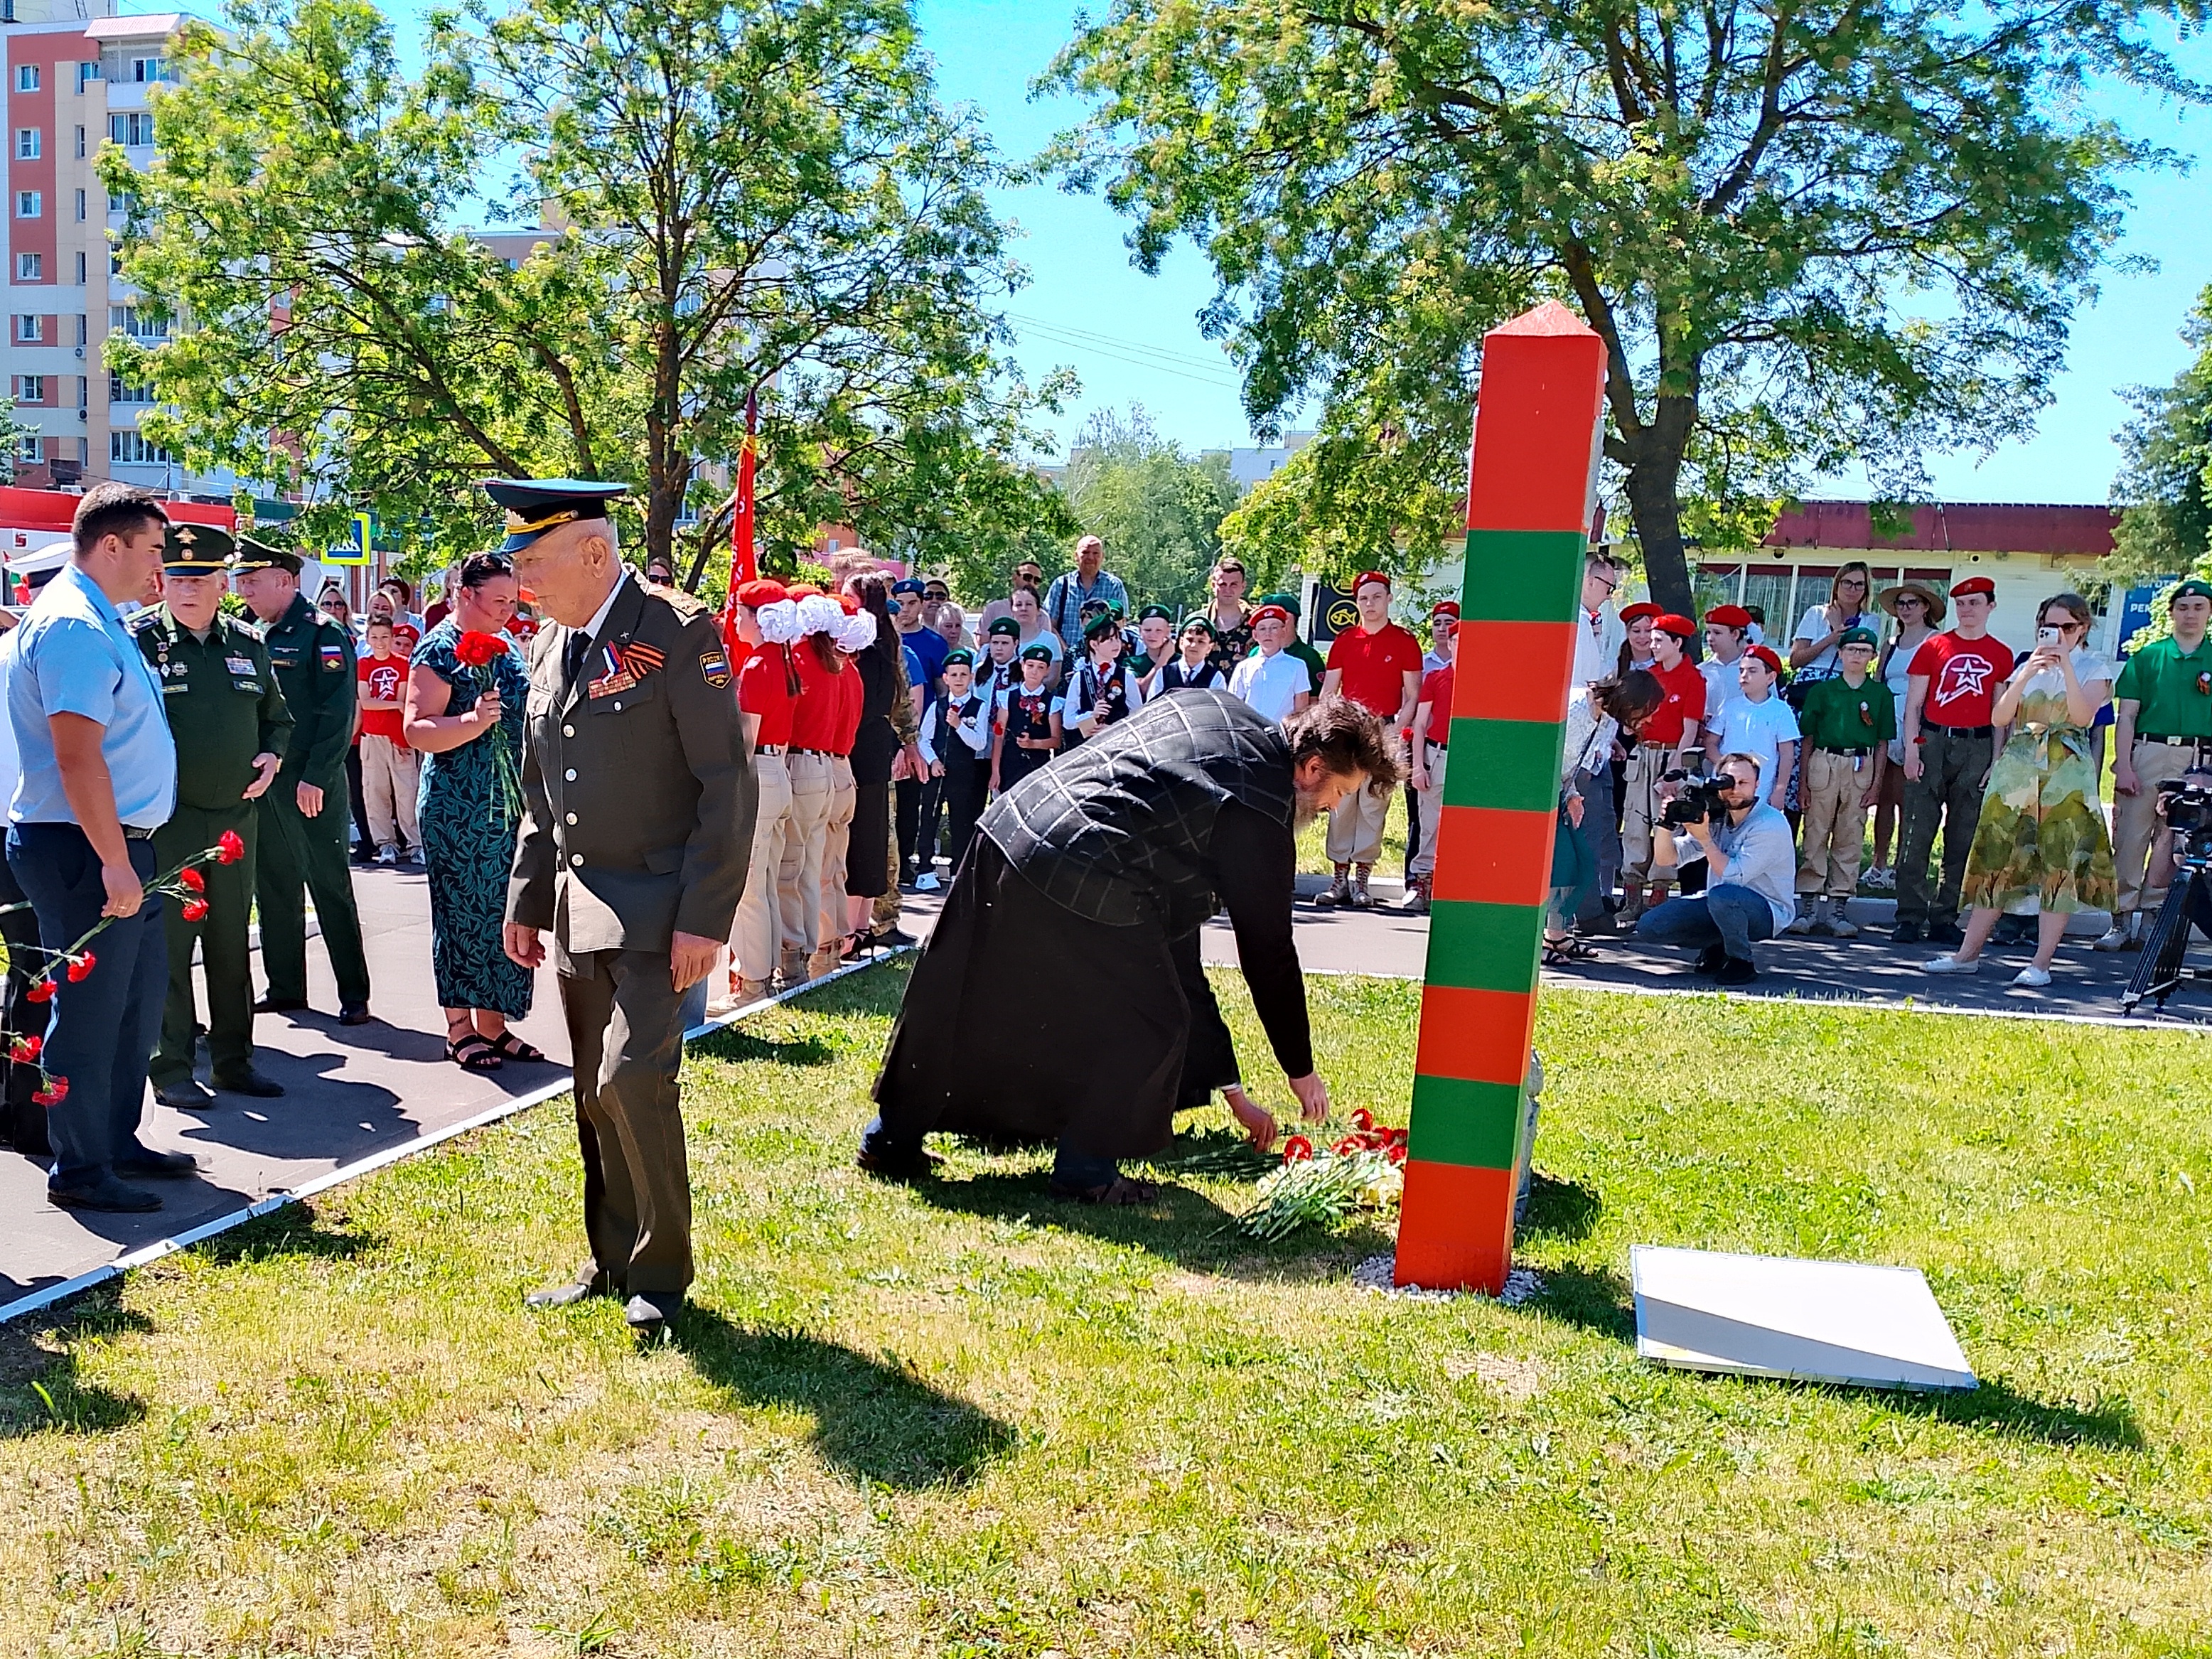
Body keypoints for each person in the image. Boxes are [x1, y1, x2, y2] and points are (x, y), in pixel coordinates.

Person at [860, 692, 1394, 1201]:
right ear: (1313, 767)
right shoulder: (1260, 804)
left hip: (1011, 824)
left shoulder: (1220, 708)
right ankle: (1086, 1171)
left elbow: (1179, 951)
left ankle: (890, 1139)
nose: (1329, 807)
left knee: (971, 990)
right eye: (1340, 793)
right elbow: (1269, 951)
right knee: (1150, 1023)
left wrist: (1233, 1089)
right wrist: (1300, 1071)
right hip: (1083, 857)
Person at [500, 480, 756, 1337]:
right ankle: (609, 1259)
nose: (520, 575)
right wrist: (527, 896)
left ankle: (661, 1270)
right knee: (589, 1091)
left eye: (532, 559)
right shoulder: (551, 645)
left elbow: (726, 783)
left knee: (633, 1078)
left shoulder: (677, 632)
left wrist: (706, 919)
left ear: (593, 552)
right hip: (580, 906)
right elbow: (543, 790)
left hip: (660, 902)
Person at [4, 484, 186, 1211]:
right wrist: (114, 860)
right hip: (84, 849)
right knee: (84, 1016)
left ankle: (114, 1141)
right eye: (151, 551)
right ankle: (79, 1170)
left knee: (131, 1007)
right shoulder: (76, 626)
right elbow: (78, 759)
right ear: (110, 545)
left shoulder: (101, 619)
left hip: (116, 845)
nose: (158, 570)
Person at [129, 522, 291, 1107]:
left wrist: (273, 755)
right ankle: (171, 1069)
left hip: (234, 819)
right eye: (176, 578)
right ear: (162, 581)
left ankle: (234, 1061)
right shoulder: (140, 641)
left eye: (199, 579)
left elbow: (278, 718)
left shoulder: (247, 643)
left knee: (229, 944)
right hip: (168, 823)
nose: (186, 589)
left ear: (222, 583)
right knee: (170, 947)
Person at [1924, 594, 2115, 987]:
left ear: (2082, 629)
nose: (2059, 634)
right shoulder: (2026, 665)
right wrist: (2027, 673)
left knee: (2057, 862)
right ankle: (1967, 956)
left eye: (2068, 627)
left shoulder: (2095, 668)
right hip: (2018, 766)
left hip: (2066, 772)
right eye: (2051, 626)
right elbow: (1999, 716)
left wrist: (2065, 665)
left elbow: (2082, 717)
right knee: (1998, 857)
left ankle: (2041, 963)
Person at [404, 550, 542, 1070]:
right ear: (466, 595)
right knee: (462, 912)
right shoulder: (438, 649)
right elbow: (416, 729)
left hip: (506, 804)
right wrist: (472, 720)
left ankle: (496, 1024)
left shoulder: (506, 648)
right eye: (497, 601)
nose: (506, 611)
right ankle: (459, 1028)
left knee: (504, 911)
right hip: (457, 804)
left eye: (512, 600)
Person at [232, 539, 374, 1025]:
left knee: (328, 883)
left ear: (287, 581)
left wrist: (316, 776)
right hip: (265, 779)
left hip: (311, 778)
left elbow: (338, 713)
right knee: (273, 884)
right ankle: (286, 986)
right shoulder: (251, 632)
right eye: (242, 581)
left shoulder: (323, 634)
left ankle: (354, 993)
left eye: (253, 580)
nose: (243, 589)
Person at [1894, 574, 2011, 947]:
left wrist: (1996, 760)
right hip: (1932, 740)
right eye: (1961, 603)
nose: (1967, 610)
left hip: (1975, 745)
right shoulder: (1934, 646)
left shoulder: (2000, 653)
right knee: (1916, 832)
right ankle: (1909, 915)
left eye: (1975, 602)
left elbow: (2000, 714)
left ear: (1990, 606)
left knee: (1962, 836)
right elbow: (1914, 704)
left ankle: (1946, 916)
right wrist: (1912, 749)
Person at [2098, 578, 2212, 952]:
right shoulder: (2148, 657)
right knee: (2131, 836)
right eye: (2183, 608)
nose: (2190, 615)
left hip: (2198, 757)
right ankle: (2120, 921)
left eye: (2198, 608)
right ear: (2172, 613)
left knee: (2173, 839)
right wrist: (2125, 765)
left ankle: (2152, 920)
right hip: (2149, 751)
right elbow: (2127, 715)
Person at [1634, 751, 1798, 984]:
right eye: (1728, 782)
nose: (1735, 789)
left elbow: (1733, 877)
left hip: (1767, 911)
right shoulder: (1719, 817)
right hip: (1721, 903)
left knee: (1724, 894)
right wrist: (1665, 824)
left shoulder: (1770, 824)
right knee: (1650, 926)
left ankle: (1741, 961)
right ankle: (1718, 945)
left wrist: (1705, 840)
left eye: (1743, 783)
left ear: (1757, 785)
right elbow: (1667, 859)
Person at [1316, 570, 1422, 908]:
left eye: (1377, 596)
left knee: (1374, 805)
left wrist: (1392, 735)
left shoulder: (1404, 641)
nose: (1370, 604)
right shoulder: (1345, 641)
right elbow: (1330, 691)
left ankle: (1363, 880)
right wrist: (1328, 731)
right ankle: (1339, 880)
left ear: (1389, 598)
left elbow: (1413, 696)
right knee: (1342, 803)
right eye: (1364, 598)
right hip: (1348, 734)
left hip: (1384, 732)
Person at [719, 580, 802, 1007]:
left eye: (742, 612)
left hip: (758, 773)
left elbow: (744, 740)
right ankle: (762, 977)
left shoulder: (757, 666)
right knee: (765, 882)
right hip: (778, 773)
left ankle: (752, 983)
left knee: (749, 887)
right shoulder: (783, 661)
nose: (735, 620)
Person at [1547, 671, 1664, 965]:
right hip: (1537, 795)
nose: (1647, 721)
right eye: (1647, 712)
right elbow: (1548, 754)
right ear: (1632, 701)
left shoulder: (1607, 719)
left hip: (1561, 792)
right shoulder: (1575, 707)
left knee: (1578, 865)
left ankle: (1556, 934)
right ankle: (1536, 941)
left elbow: (1573, 764)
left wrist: (1572, 794)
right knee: (1554, 868)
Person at [1788, 627, 1893, 936]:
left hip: (1861, 763)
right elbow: (1807, 738)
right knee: (1816, 832)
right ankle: (1807, 907)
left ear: (1873, 657)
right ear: (1840, 653)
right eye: (1851, 650)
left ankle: (1837, 908)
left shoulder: (1879, 694)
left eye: (1864, 652)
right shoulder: (1823, 691)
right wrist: (1803, 782)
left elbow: (1884, 741)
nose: (1856, 656)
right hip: (1824, 760)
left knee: (1851, 834)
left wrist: (1876, 784)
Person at [1616, 613, 1707, 923]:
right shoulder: (1648, 676)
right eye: (1651, 639)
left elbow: (1690, 729)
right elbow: (1630, 723)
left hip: (1671, 757)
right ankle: (1631, 900)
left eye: (1658, 640)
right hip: (1643, 755)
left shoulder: (1692, 679)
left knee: (1665, 827)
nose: (1651, 645)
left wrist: (1675, 771)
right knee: (1635, 826)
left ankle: (1659, 899)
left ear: (1677, 643)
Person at [780, 590, 848, 982]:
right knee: (819, 869)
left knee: (793, 871)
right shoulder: (836, 664)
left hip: (800, 764)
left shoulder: (800, 661)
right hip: (830, 767)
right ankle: (823, 950)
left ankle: (797, 959)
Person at [1865, 582, 1943, 892]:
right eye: (1901, 603)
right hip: (1888, 718)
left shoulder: (1935, 641)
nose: (1906, 608)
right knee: (1883, 795)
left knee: (1907, 796)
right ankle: (1878, 863)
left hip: (1919, 720)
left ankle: (1904, 864)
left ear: (1926, 607)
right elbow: (1878, 680)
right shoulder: (1891, 643)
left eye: (1913, 602)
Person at [918, 648, 993, 874]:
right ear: (946, 678)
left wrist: (959, 725)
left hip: (964, 773)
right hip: (938, 773)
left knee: (961, 821)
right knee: (929, 818)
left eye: (963, 674)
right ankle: (925, 868)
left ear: (971, 677)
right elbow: (924, 739)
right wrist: (932, 761)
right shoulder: (938, 706)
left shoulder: (979, 707)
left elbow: (980, 742)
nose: (958, 680)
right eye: (954, 675)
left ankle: (958, 870)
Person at [1402, 607, 1456, 913]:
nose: (1459, 646)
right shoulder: (1436, 677)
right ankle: (1423, 883)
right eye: (1454, 641)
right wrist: (1418, 765)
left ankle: (1453, 887)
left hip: (1467, 760)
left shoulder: (1483, 681)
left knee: (1460, 823)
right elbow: (1420, 724)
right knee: (1430, 822)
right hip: (1436, 755)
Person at [355, 615, 420, 865]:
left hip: (398, 738)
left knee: (407, 793)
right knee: (375, 793)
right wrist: (394, 704)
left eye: (385, 637)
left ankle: (415, 845)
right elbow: (367, 702)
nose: (380, 642)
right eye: (374, 637)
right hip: (372, 738)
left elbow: (406, 699)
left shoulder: (403, 664)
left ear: (393, 638)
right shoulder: (364, 664)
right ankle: (386, 845)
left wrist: (404, 732)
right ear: (368, 639)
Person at [1704, 645, 1798, 812]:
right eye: (1741, 671)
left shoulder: (1781, 710)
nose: (1744, 676)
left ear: (1770, 677)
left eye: (1752, 671)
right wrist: (1726, 766)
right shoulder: (1730, 707)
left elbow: (1787, 754)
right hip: (1725, 787)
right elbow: (1710, 743)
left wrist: (1780, 789)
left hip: (1760, 791)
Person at [991, 641, 1065, 794]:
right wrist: (995, 771)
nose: (1034, 672)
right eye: (1030, 666)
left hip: (1037, 767)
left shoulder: (1052, 702)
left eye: (1040, 667)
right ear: (1022, 665)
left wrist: (1033, 743)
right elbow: (999, 735)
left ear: (1047, 670)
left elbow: (1056, 740)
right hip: (1010, 765)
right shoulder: (1008, 697)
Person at [1064, 608, 1147, 743]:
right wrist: (1091, 716)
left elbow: (1137, 717)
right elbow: (1068, 721)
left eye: (1117, 638)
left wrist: (1111, 729)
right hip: (1084, 748)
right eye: (1109, 640)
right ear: (1094, 644)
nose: (1116, 644)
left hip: (1117, 745)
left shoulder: (1126, 676)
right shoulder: (1080, 677)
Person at [1042, 535, 1130, 659]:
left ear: (1102, 557)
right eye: (1085, 552)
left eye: (1096, 553)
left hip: (1102, 661)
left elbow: (1119, 625)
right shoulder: (1061, 585)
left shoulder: (1114, 586)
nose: (1090, 557)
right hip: (1063, 659)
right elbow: (1049, 625)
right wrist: (1068, 653)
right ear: (1076, 556)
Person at [1228, 602, 1311, 722]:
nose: (1268, 633)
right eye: (1262, 629)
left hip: (1282, 733)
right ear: (1255, 635)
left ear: (1283, 632)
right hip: (1252, 733)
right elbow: (1234, 705)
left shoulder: (1298, 666)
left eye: (1274, 628)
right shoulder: (1244, 667)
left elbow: (1301, 707)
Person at [1574, 552, 1626, 688]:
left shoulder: (1574, 618)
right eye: (1609, 588)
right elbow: (1591, 677)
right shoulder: (1580, 623)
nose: (1609, 597)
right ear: (1592, 582)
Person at [1259, 591, 1327, 695]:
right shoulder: (1256, 652)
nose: (1274, 622)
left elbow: (1315, 701)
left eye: (1281, 617)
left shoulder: (1309, 657)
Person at [1700, 604, 1753, 735]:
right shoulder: (1701, 671)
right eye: (1708, 632)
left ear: (1735, 634)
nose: (1710, 638)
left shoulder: (1757, 670)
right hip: (1707, 741)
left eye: (1717, 633)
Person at [1198, 557, 1254, 677]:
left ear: (1243, 587)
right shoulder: (1198, 622)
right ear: (1213, 585)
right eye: (1223, 584)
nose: (1227, 590)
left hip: (1240, 695)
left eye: (1234, 585)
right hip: (1202, 693)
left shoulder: (1257, 624)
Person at [974, 557, 1046, 638]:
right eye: (1027, 577)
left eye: (1037, 580)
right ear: (1015, 577)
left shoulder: (1042, 616)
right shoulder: (993, 609)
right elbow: (982, 641)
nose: (1031, 582)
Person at [1157, 616, 1229, 692]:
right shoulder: (1164, 674)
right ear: (1181, 642)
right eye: (1190, 640)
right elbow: (1152, 702)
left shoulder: (1216, 678)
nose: (1194, 645)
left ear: (1209, 648)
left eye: (1201, 642)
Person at [1129, 603, 1176, 696]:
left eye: (1159, 630)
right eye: (1147, 630)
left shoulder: (1180, 662)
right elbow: (1140, 690)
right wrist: (1163, 660)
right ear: (1140, 631)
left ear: (1168, 631)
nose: (1152, 635)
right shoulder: (1133, 663)